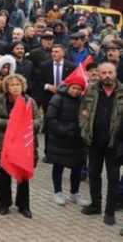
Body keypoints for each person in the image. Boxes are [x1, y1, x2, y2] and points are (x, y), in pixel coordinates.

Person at [0, 74, 42, 218]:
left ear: (23, 86)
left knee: (23, 175)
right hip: (5, 143)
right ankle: (4, 204)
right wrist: (13, 124)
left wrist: (29, 125)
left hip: (24, 145)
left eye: (18, 84)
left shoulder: (29, 101)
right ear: (7, 87)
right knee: (5, 174)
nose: (15, 87)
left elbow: (38, 119)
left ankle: (24, 205)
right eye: (12, 85)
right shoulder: (0, 100)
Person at [79, 62, 123, 225]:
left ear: (115, 73)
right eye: (103, 73)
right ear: (98, 74)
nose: (107, 76)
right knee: (94, 174)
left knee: (113, 178)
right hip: (94, 141)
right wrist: (84, 129)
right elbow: (83, 111)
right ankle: (95, 205)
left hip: (114, 143)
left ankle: (109, 211)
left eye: (110, 72)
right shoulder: (91, 90)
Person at [46, 78, 88, 207]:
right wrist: (63, 131)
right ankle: (57, 192)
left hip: (77, 140)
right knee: (59, 166)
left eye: (79, 89)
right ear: (69, 87)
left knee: (77, 167)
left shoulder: (83, 101)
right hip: (61, 139)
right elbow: (50, 118)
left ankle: (75, 193)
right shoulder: (58, 98)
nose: (75, 91)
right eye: (74, 88)